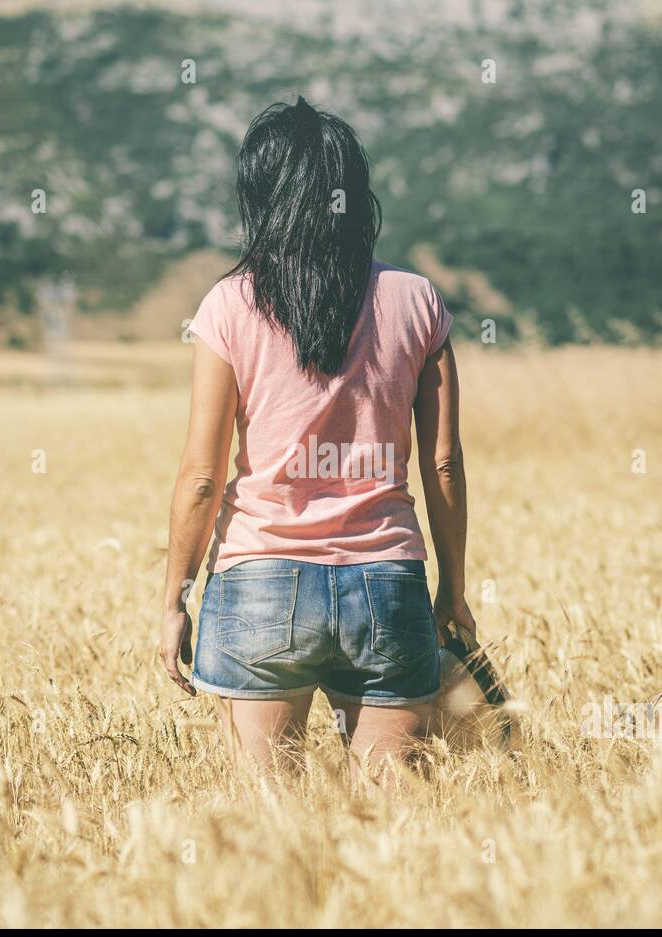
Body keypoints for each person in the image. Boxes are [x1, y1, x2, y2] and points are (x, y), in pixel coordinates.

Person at [159, 97, 473, 774]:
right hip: (387, 582)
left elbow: (204, 476)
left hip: (260, 582)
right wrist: (453, 590)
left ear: (260, 196)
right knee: (400, 820)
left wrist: (174, 599)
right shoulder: (418, 300)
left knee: (271, 825)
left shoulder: (227, 306)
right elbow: (443, 465)